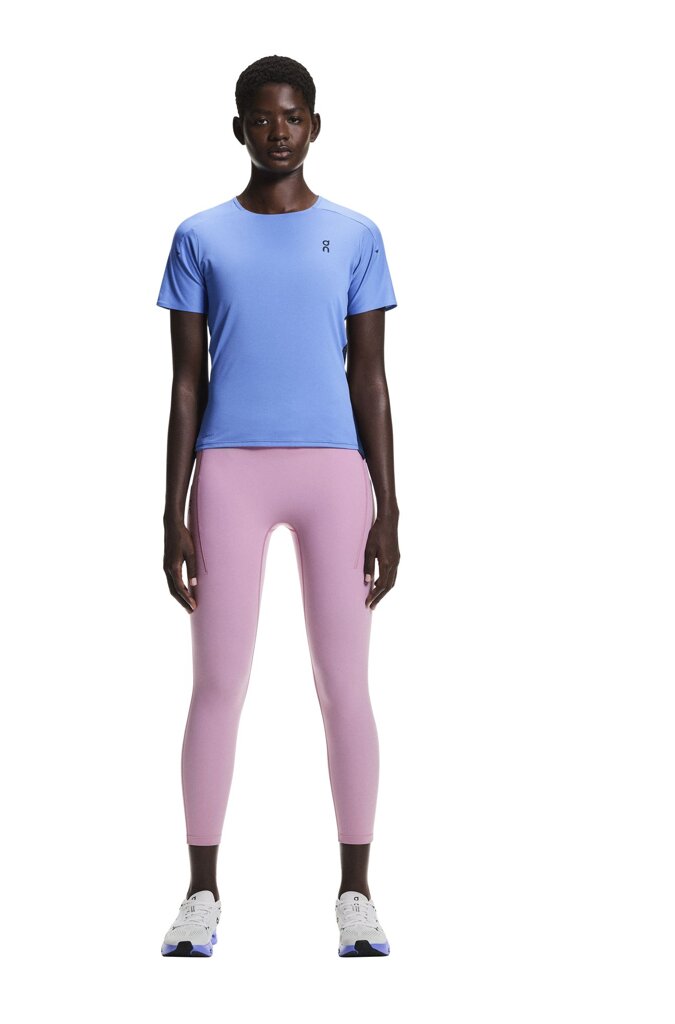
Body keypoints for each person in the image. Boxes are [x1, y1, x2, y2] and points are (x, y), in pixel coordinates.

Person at [155, 54, 400, 958]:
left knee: (344, 686)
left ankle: (356, 894)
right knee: (218, 685)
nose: (278, 132)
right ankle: (201, 892)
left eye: (292, 117)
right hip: (228, 474)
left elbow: (370, 378)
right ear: (239, 129)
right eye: (261, 118)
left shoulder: (356, 235)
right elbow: (187, 384)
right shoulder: (200, 237)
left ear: (315, 125)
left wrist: (389, 507)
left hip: (335, 475)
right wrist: (172, 510)